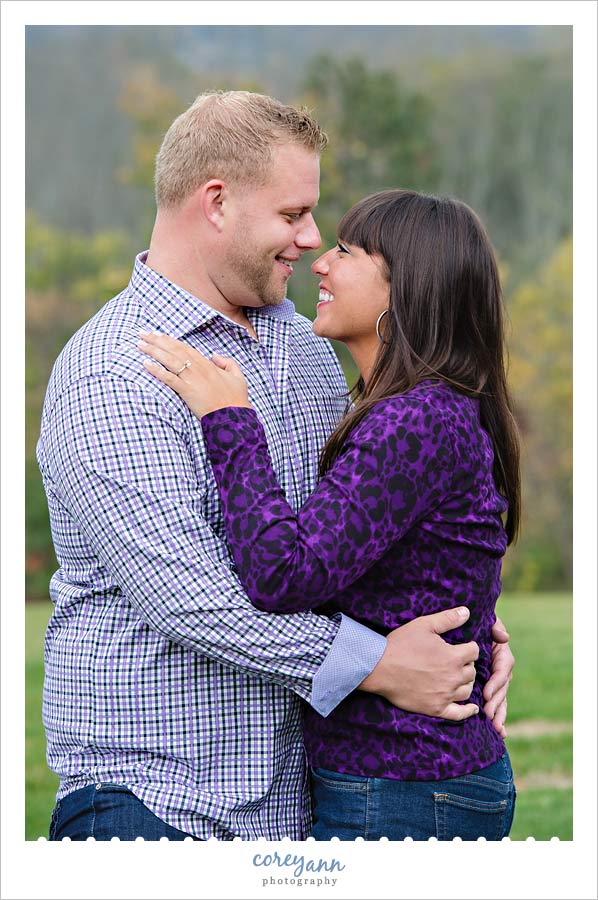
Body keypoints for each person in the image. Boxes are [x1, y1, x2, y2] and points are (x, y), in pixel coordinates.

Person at [37, 91, 513, 842]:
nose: (312, 239)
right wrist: (380, 662)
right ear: (217, 203)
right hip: (158, 806)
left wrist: (465, 629)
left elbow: (353, 535)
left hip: (297, 814)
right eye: (293, 216)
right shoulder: (117, 372)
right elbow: (192, 602)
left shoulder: (303, 351)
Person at [138, 187, 520, 841]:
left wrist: (230, 421)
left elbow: (283, 576)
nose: (320, 261)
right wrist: (482, 625)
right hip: (421, 783)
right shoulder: (430, 409)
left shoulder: (414, 419)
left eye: (346, 251)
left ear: (405, 288)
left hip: (405, 788)